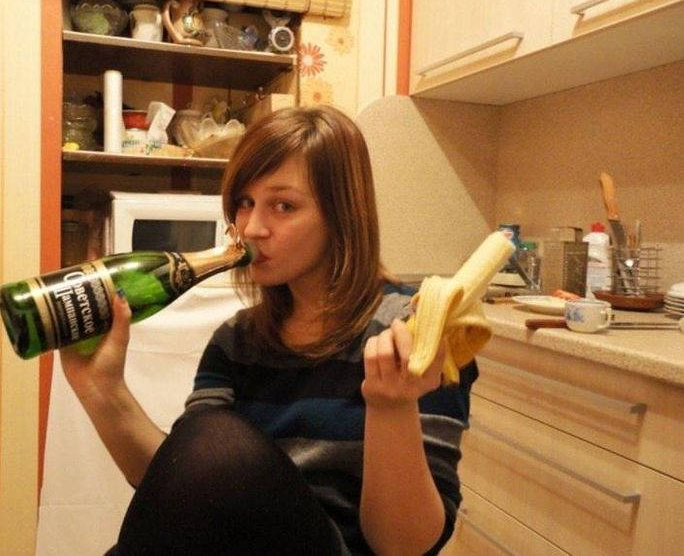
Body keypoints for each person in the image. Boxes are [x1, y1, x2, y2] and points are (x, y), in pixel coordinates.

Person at [61, 105, 478, 555]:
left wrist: (391, 408)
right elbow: (182, 488)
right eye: (245, 203)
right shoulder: (236, 341)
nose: (252, 228)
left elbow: (406, 548)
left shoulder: (412, 332)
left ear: (342, 215)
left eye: (283, 206)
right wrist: (102, 389)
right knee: (208, 442)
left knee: (215, 437)